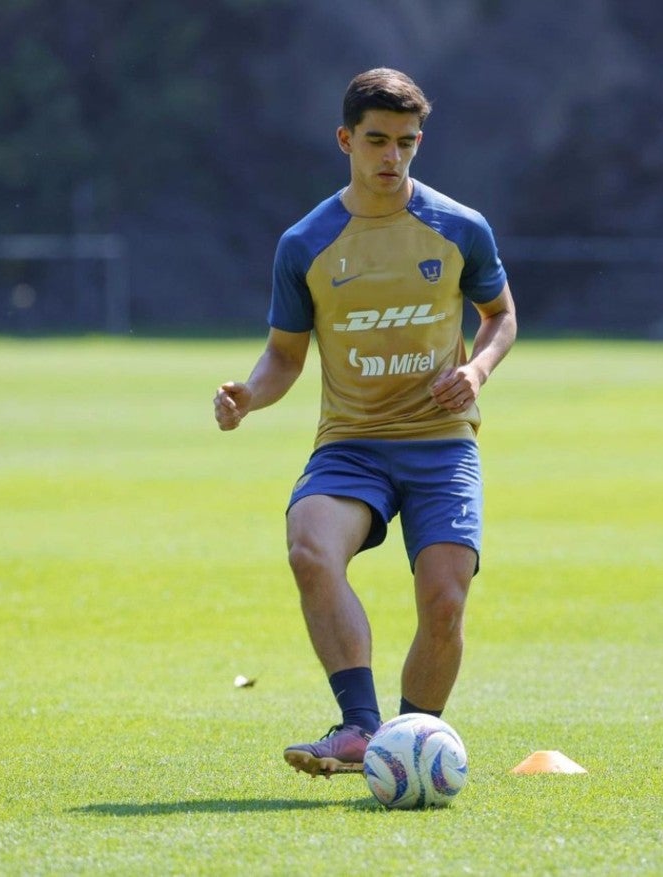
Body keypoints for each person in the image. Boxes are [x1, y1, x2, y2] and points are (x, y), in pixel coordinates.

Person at [213, 68, 517, 778]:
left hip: (442, 446)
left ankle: (412, 744)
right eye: (377, 140)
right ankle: (359, 727)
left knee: (444, 600)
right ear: (346, 139)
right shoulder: (308, 243)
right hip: (351, 446)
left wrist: (476, 370)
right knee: (309, 548)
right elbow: (285, 356)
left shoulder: (458, 226)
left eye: (407, 143)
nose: (392, 157)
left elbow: (500, 317)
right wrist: (250, 396)